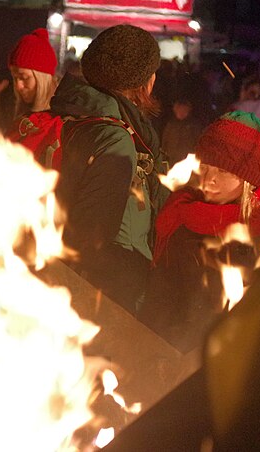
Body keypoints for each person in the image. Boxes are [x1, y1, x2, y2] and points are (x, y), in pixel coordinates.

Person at [50, 24, 169, 314]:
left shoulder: (73, 116)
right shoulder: (115, 138)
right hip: (108, 298)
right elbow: (93, 236)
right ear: (145, 83)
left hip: (78, 289)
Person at [142, 112, 260, 352]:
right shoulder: (181, 209)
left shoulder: (256, 240)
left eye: (224, 171)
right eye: (206, 166)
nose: (209, 179)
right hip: (150, 343)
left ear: (250, 179)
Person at [7, 28, 58, 116]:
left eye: (24, 78)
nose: (18, 86)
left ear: (42, 78)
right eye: (15, 78)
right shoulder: (15, 111)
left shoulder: (61, 120)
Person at [160, 97, 204, 167]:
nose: (181, 112)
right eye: (179, 109)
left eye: (184, 110)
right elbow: (165, 141)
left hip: (186, 161)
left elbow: (198, 142)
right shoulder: (171, 124)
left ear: (188, 110)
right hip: (171, 159)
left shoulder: (193, 125)